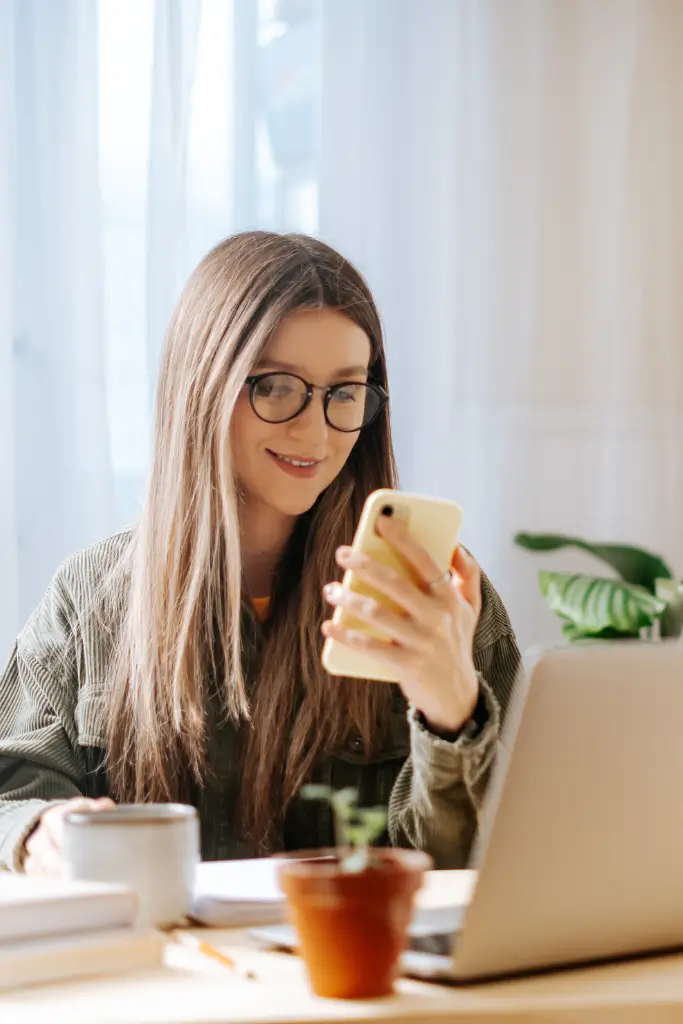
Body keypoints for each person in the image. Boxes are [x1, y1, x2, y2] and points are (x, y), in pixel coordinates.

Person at [0, 232, 521, 877]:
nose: (314, 429)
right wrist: (40, 830)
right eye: (276, 387)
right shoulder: (92, 596)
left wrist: (452, 716)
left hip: (368, 970)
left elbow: (493, 862)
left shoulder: (436, 600)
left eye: (344, 392)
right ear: (205, 386)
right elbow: (13, 786)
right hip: (171, 971)